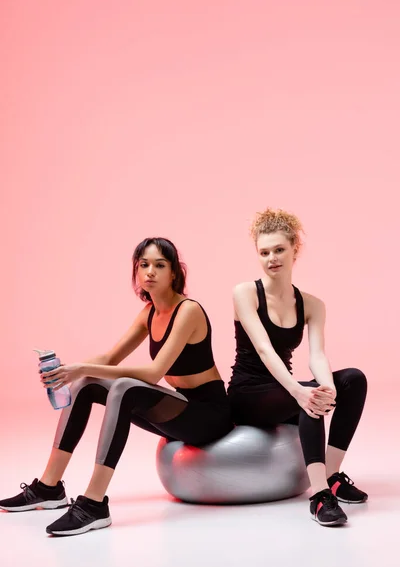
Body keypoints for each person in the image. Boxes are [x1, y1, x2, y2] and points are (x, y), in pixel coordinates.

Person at [0, 238, 233, 535]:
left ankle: (94, 504)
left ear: (174, 273)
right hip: (179, 409)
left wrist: (83, 368)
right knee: (86, 384)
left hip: (208, 417)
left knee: (124, 388)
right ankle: (49, 487)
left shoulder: (188, 310)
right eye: (143, 265)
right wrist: (69, 370)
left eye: (159, 265)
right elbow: (110, 358)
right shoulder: (148, 313)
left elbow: (153, 372)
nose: (150, 272)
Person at [227, 208, 368, 527]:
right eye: (264, 252)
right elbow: (263, 348)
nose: (271, 258)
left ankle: (331, 475)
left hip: (285, 389)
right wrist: (301, 391)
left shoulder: (312, 304)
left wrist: (326, 386)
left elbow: (317, 354)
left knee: (352, 380)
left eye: (279, 249)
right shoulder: (245, 293)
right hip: (247, 394)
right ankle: (319, 497)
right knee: (306, 394)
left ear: (294, 249)